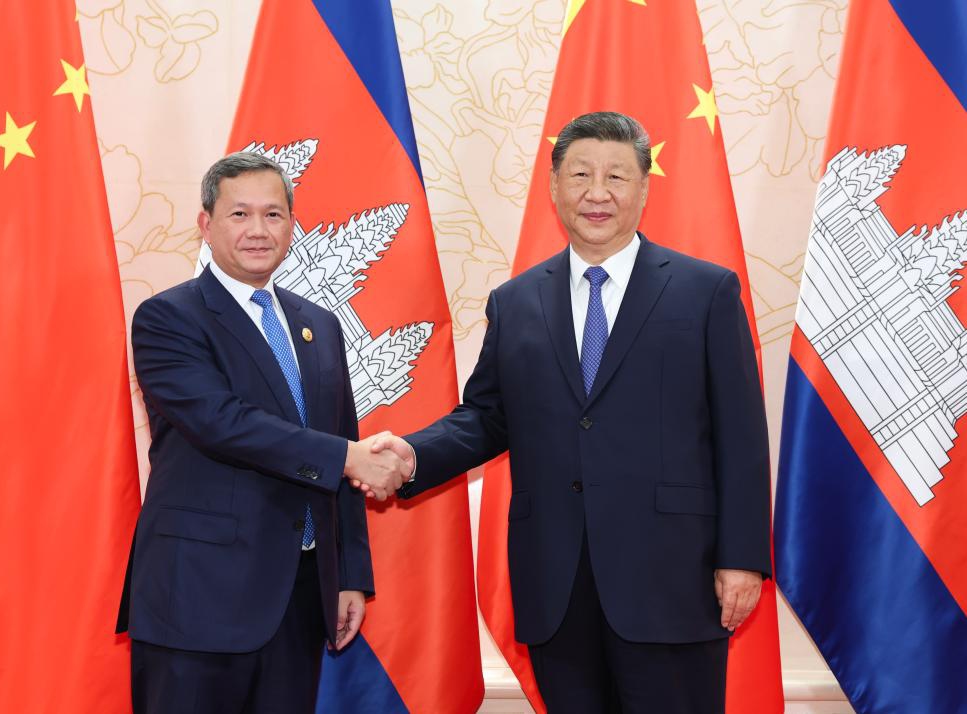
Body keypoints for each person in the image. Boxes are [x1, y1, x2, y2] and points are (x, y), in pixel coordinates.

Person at [370, 112, 771, 713]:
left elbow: (742, 434)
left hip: (672, 576)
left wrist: (741, 558)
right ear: (554, 186)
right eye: (579, 174)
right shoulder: (517, 300)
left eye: (617, 175)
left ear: (644, 188)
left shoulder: (704, 290)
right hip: (556, 578)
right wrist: (412, 454)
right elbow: (486, 417)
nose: (597, 192)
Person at [115, 152, 410, 714]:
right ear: (206, 224)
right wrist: (350, 457)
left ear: (292, 225)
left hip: (298, 596)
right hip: (198, 597)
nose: (258, 231)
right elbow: (223, 423)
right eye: (239, 214)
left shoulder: (319, 324)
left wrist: (349, 574)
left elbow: (340, 438)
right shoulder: (168, 318)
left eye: (274, 215)